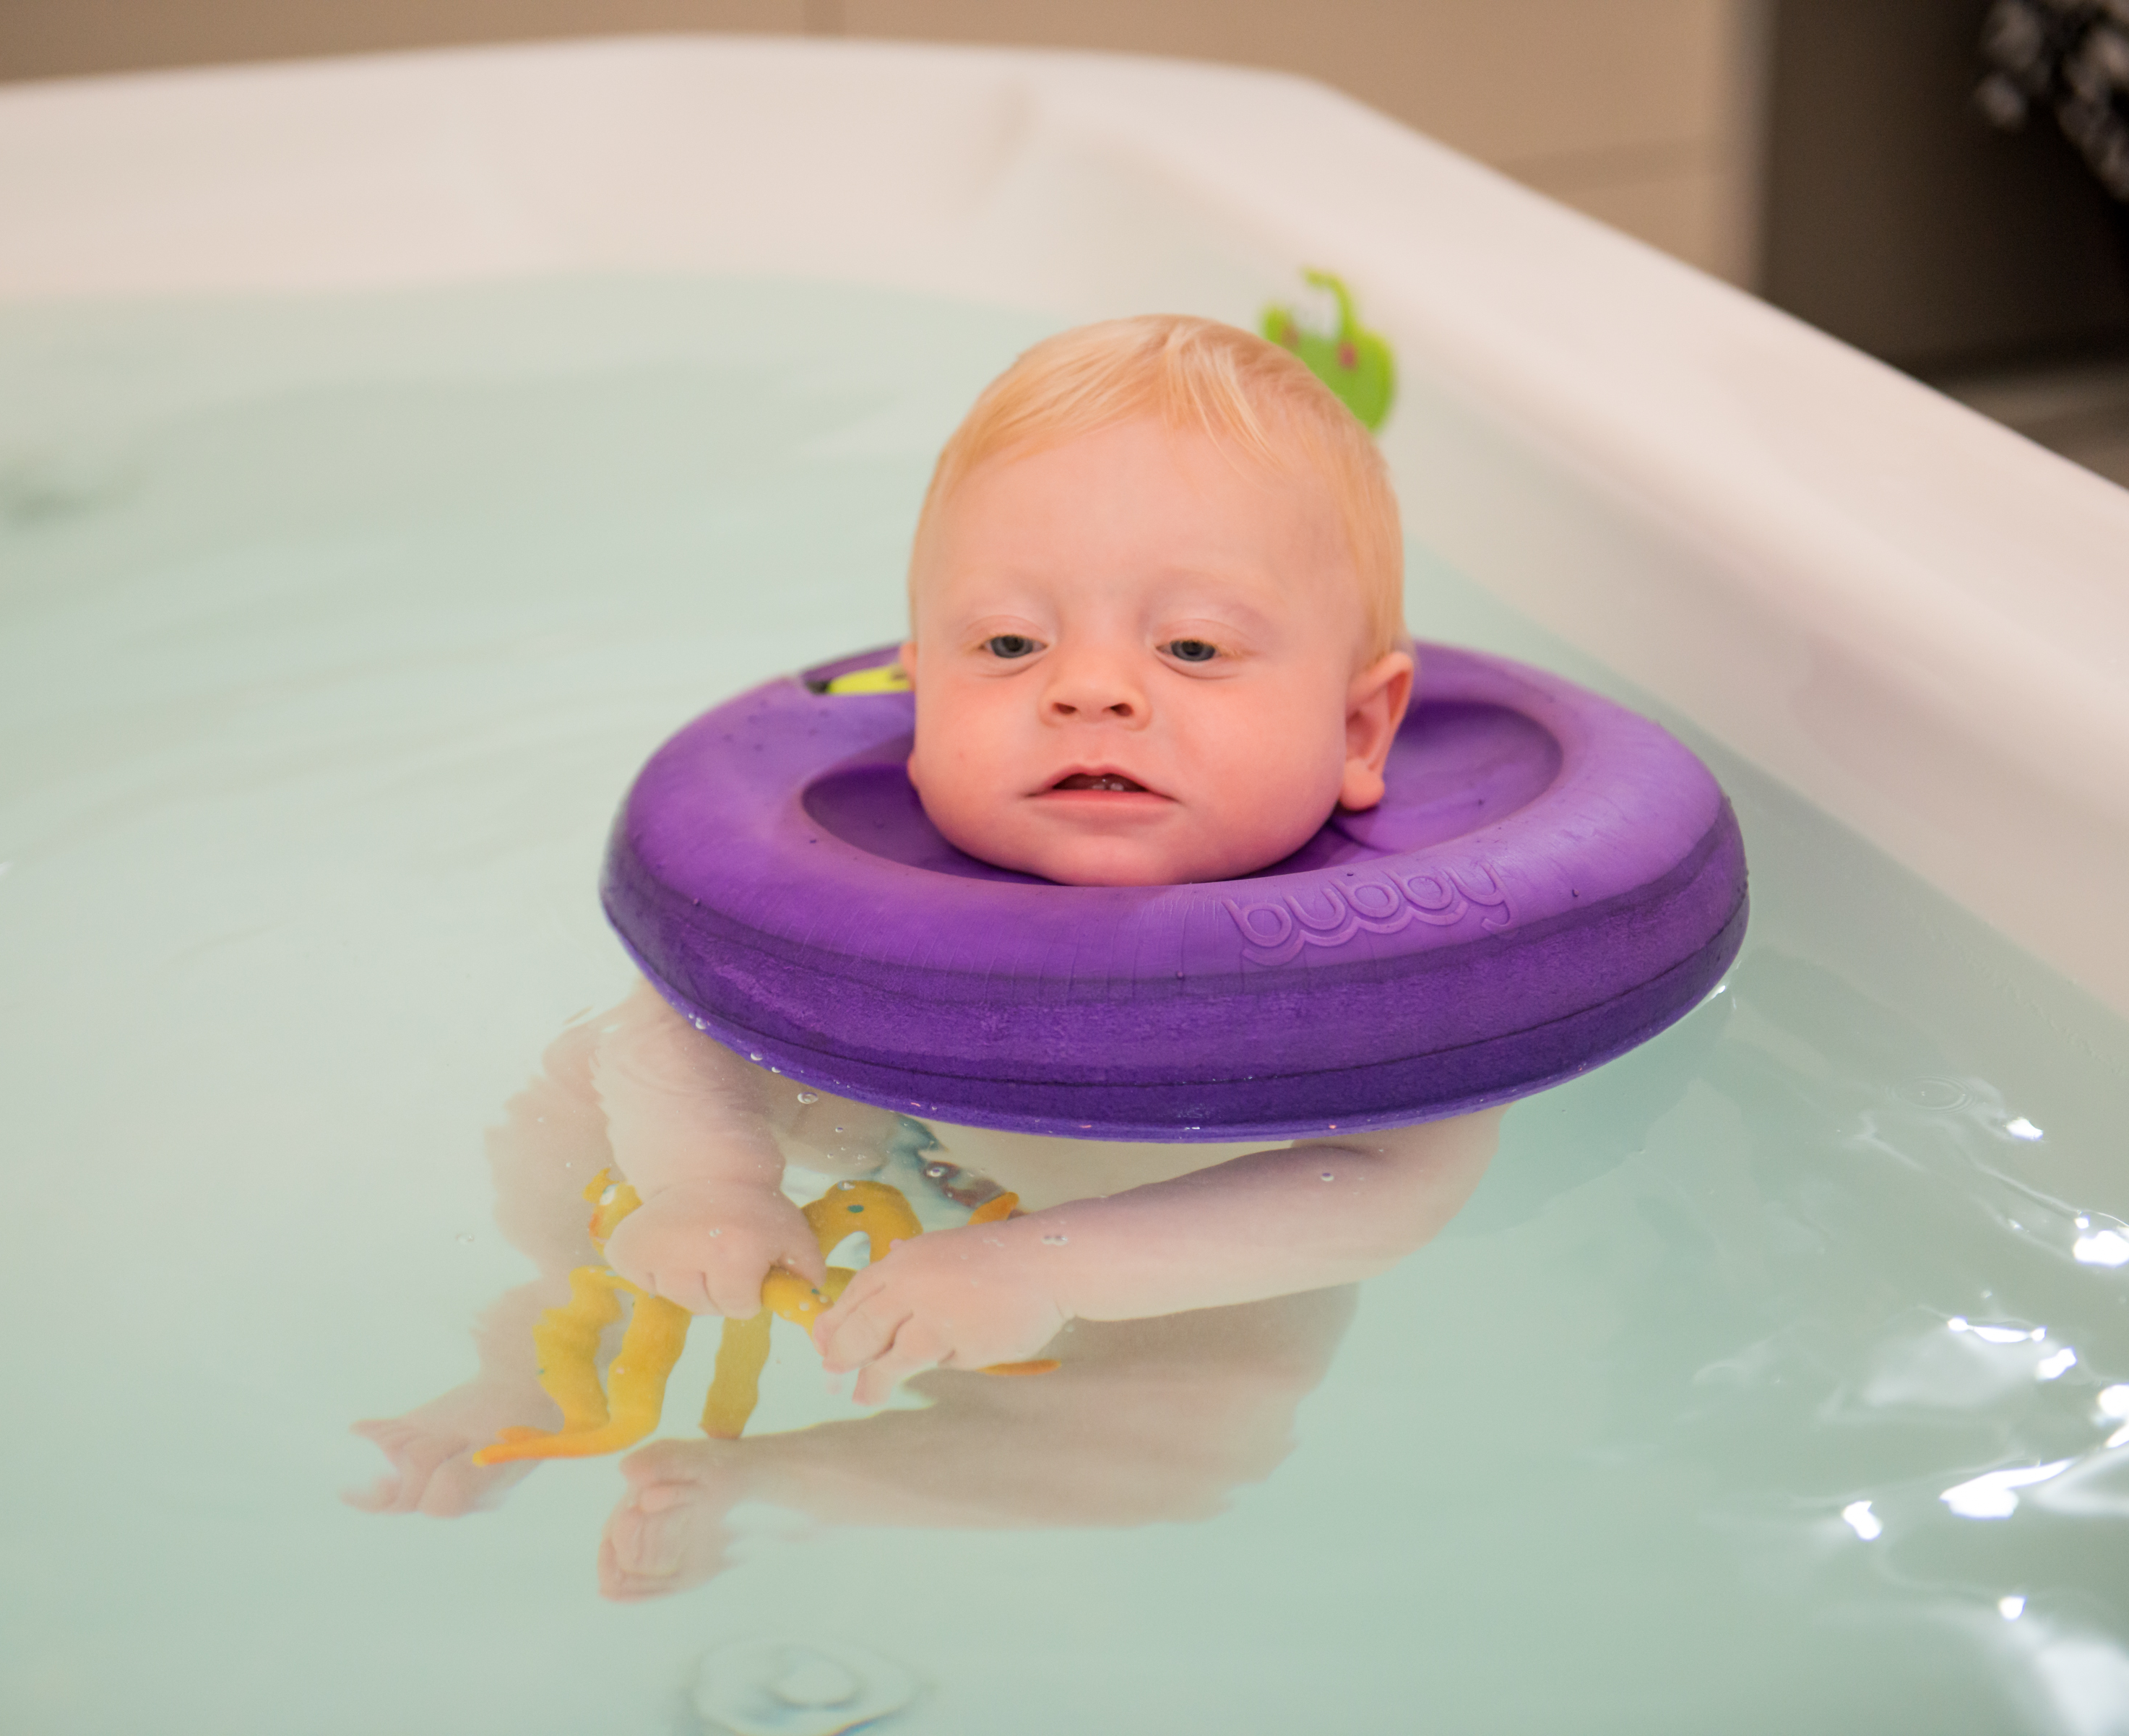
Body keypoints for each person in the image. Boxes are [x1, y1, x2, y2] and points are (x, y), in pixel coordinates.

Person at [599, 316, 1485, 1402]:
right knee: (587, 1093)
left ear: (1357, 731)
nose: (1090, 689)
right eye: (1011, 645)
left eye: (1194, 647)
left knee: (1204, 1418)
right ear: (921, 694)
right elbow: (670, 1021)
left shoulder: (1398, 965)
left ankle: (801, 1488)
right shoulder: (841, 893)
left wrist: (1044, 1268)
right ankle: (511, 1376)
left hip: (1171, 1256)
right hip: (883, 1139)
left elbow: (1391, 1188)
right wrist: (708, 1184)